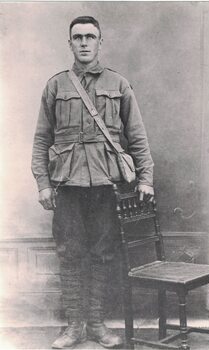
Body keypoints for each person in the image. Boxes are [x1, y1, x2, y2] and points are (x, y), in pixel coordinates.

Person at [32, 16, 154, 349]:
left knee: (103, 254)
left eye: (90, 37)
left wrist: (146, 178)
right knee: (70, 255)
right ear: (69, 43)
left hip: (105, 187)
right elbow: (41, 140)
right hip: (67, 187)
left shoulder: (118, 84)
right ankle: (74, 328)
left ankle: (97, 325)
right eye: (77, 37)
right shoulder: (55, 86)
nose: (84, 42)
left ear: (100, 42)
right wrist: (43, 183)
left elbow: (137, 136)